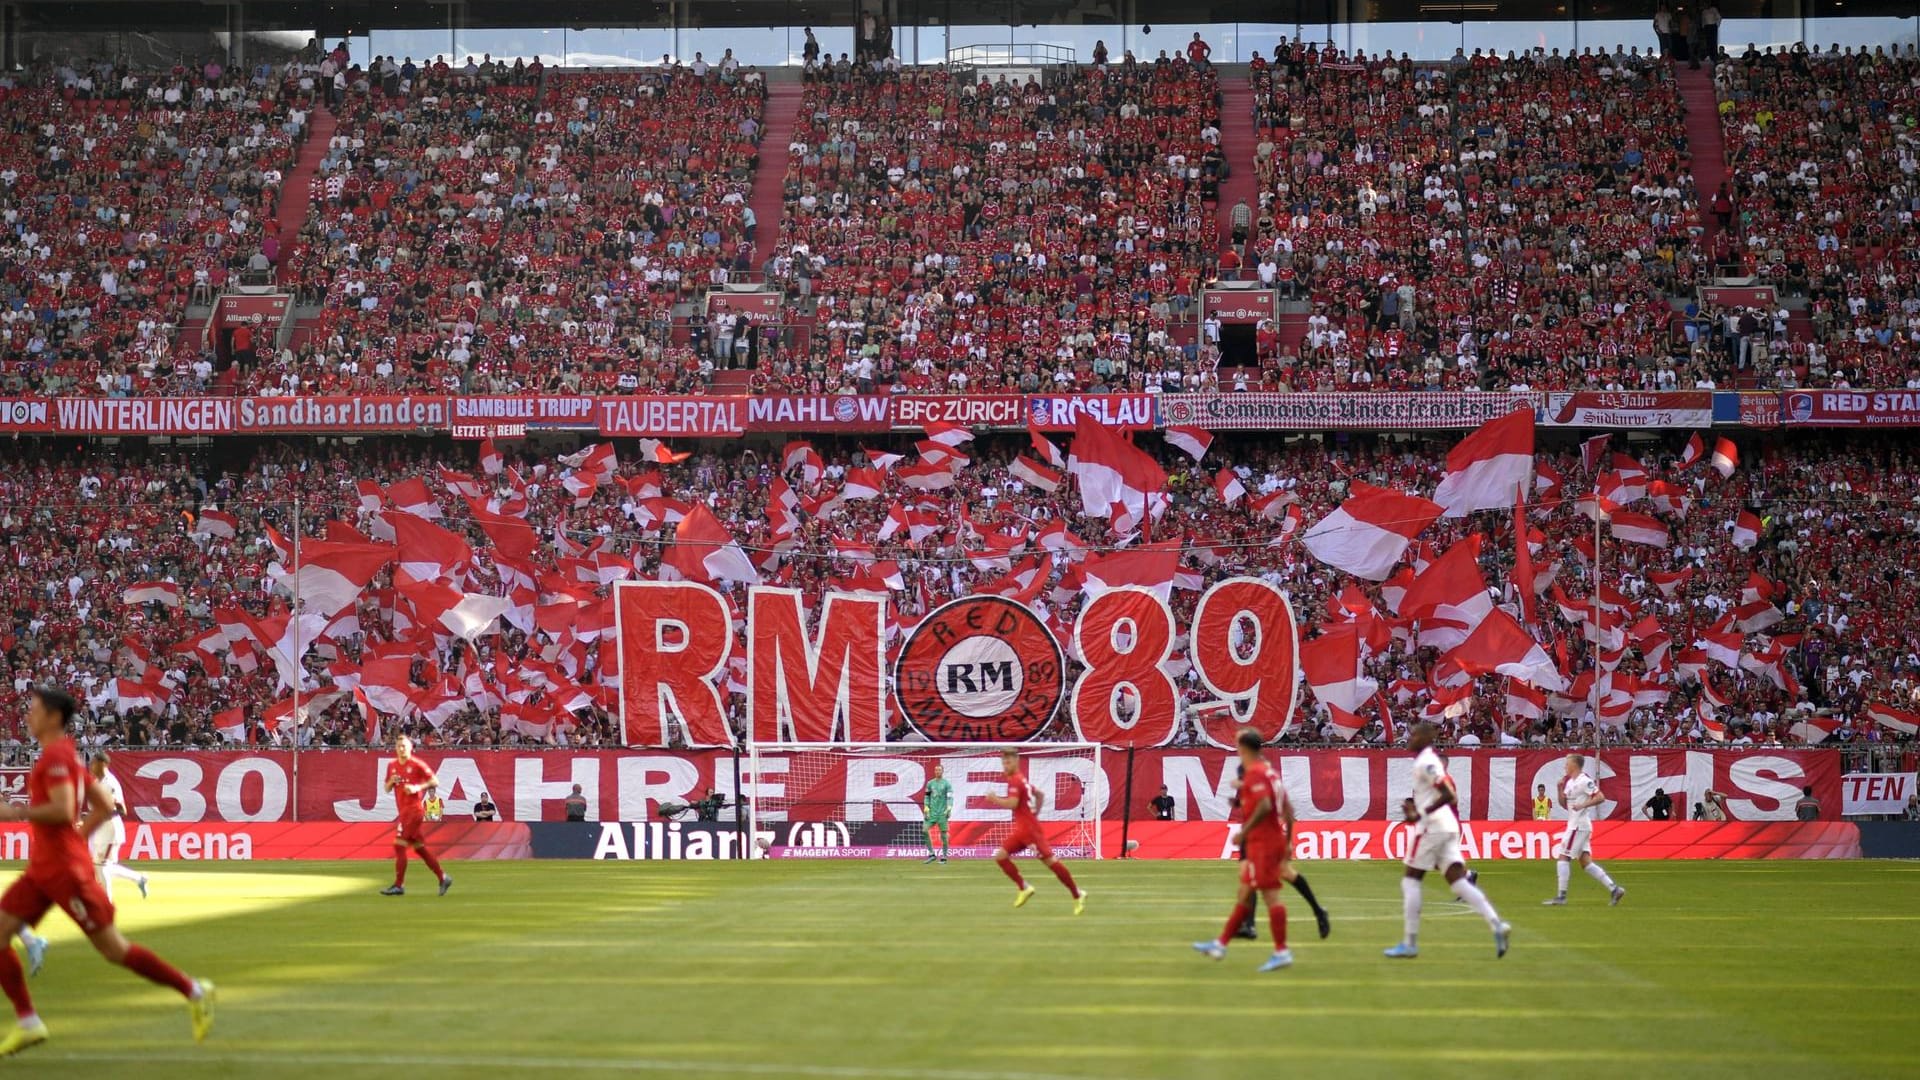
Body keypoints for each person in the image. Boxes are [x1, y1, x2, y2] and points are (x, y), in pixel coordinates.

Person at [0, 687, 214, 1056]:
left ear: (53, 717)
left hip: (63, 871)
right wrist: (79, 838)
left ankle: (195, 991)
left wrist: (16, 812)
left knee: (114, 950)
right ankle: (28, 1021)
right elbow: (104, 802)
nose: (27, 715)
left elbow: (65, 810)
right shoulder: (65, 755)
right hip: (47, 867)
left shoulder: (55, 756)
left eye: (34, 709)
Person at [1384, 723, 1511, 960]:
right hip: (1446, 827)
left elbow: (1448, 795)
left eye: (1413, 735)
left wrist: (1420, 814)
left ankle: (1410, 943)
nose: (1409, 739)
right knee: (1458, 882)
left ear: (1424, 738)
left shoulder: (1427, 762)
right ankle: (1497, 924)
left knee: (1411, 880)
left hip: (1433, 827)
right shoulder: (1427, 762)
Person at [1192, 729, 1295, 972]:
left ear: (1243, 748)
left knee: (1270, 897)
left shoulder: (1256, 772)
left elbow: (1265, 805)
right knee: (1246, 892)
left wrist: (1244, 832)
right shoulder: (1270, 773)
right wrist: (1288, 841)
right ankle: (1220, 944)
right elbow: (1288, 809)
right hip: (1270, 841)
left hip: (1264, 843)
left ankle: (1282, 951)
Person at [987, 749, 1084, 914]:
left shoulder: (1016, 781)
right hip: (1023, 830)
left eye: (1008, 762)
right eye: (1004, 762)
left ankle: (1077, 894)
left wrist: (994, 799)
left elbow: (1013, 803)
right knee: (1000, 856)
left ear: (1016, 761)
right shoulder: (1022, 780)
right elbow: (1039, 794)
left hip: (1030, 832)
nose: (1005, 765)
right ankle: (1024, 887)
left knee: (1051, 862)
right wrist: (1034, 814)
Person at [1543, 754, 1625, 907]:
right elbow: (1563, 804)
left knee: (1563, 857)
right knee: (1585, 862)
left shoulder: (1584, 780)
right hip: (1575, 824)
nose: (1565, 766)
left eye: (1567, 763)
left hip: (1578, 826)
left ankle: (1561, 896)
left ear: (1574, 764)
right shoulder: (1569, 783)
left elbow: (1600, 797)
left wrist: (1583, 805)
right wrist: (1559, 788)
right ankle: (1614, 889)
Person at [381, 735, 451, 897]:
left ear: (411, 747)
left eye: (404, 746)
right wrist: (391, 781)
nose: (401, 749)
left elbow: (435, 781)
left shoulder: (417, 764)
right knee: (420, 849)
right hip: (403, 811)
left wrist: (417, 787)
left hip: (414, 811)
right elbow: (386, 788)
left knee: (399, 845)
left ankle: (399, 885)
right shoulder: (392, 765)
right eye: (398, 746)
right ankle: (443, 877)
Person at [88, 755, 150, 902]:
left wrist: (105, 811)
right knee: (102, 866)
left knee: (101, 866)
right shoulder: (98, 782)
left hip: (109, 830)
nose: (90, 766)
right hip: (100, 829)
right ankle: (139, 879)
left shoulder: (110, 783)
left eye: (93, 763)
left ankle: (106, 904)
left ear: (103, 764)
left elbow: (122, 809)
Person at [921, 762, 952, 864]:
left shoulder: (947, 784)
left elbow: (950, 797)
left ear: (942, 771)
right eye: (936, 770)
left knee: (944, 835)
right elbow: (926, 796)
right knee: (925, 830)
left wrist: (949, 808)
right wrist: (926, 807)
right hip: (932, 813)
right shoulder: (930, 783)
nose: (937, 771)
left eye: (939, 770)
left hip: (942, 813)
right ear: (934, 771)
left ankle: (944, 856)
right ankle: (931, 854)